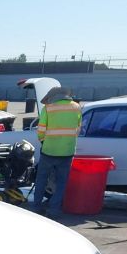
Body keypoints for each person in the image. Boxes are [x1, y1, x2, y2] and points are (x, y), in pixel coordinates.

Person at [31, 86, 82, 217]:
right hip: (67, 151)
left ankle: (36, 206)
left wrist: (43, 141)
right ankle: (54, 209)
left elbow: (41, 129)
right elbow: (78, 129)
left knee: (41, 178)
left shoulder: (48, 108)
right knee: (61, 181)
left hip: (49, 150)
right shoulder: (76, 107)